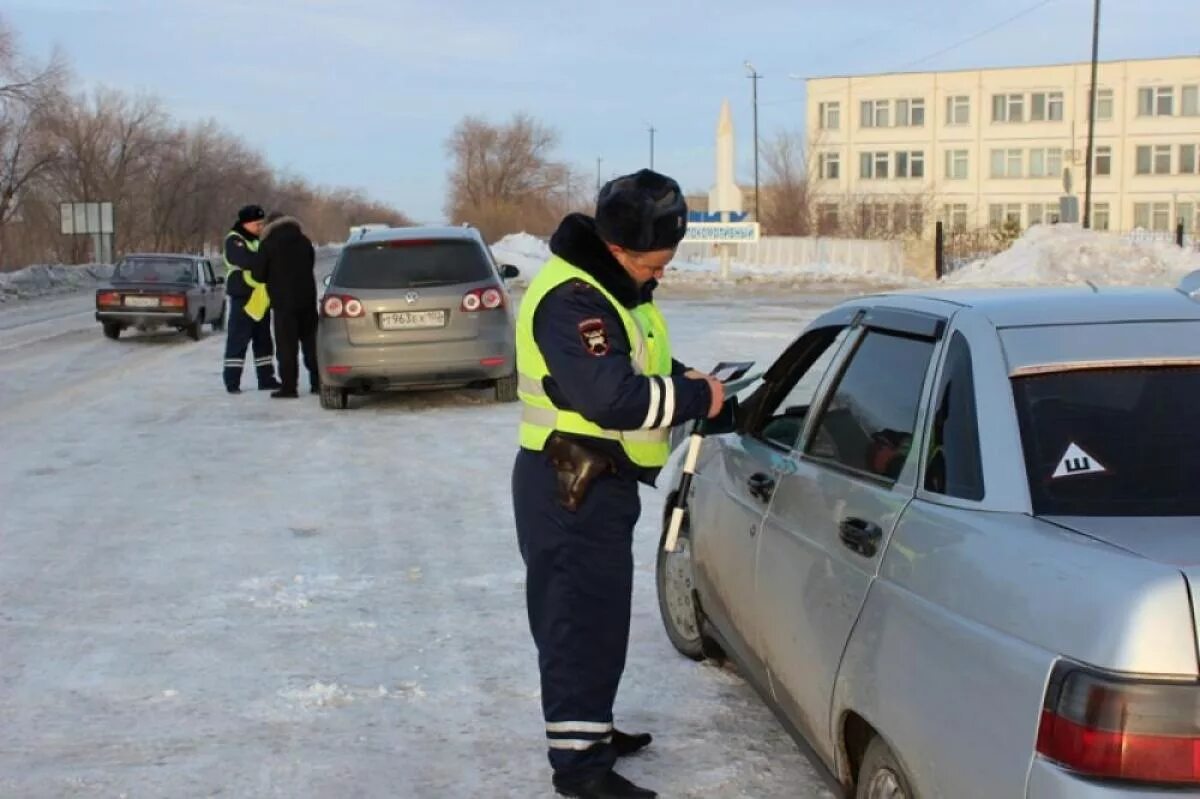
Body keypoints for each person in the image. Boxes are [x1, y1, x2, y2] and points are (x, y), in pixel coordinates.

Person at [512, 169, 725, 799]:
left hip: (598, 481)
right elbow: (609, 395)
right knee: (575, 621)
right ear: (621, 250)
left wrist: (701, 388)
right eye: (659, 260)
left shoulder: (619, 291)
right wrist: (693, 395)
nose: (663, 272)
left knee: (600, 618)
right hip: (567, 483)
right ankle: (579, 769)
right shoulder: (572, 299)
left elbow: (641, 367)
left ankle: (593, 733)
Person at [252, 211, 319, 399]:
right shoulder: (304, 241)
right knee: (311, 343)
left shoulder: (268, 244)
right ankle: (318, 382)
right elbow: (310, 263)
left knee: (287, 347)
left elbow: (258, 274)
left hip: (283, 303)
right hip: (307, 300)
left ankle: (289, 387)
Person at [222, 205, 279, 393]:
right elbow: (247, 261)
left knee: (263, 340)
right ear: (246, 223)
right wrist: (265, 259)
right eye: (257, 224)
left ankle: (266, 378)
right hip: (243, 297)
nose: (260, 227)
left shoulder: (257, 240)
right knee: (238, 340)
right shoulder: (235, 240)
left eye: (262, 224)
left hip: (260, 297)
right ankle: (232, 382)